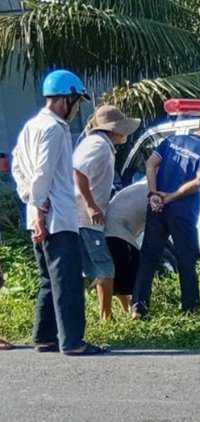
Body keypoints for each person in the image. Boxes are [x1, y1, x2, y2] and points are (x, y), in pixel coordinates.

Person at [11, 69, 108, 355]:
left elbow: (18, 165)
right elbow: (43, 172)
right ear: (66, 99)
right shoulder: (53, 129)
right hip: (55, 217)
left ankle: (45, 336)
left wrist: (29, 198)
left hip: (39, 214)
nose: (77, 108)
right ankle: (73, 342)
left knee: (48, 279)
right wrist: (41, 208)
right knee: (67, 280)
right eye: (77, 102)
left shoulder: (32, 125)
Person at [130, 113, 200, 319]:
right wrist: (172, 197)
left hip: (157, 209)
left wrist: (153, 193)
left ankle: (138, 309)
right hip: (182, 213)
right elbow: (199, 182)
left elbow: (150, 164)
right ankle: (191, 312)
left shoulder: (171, 141)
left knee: (148, 258)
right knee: (186, 261)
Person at [73, 105, 140, 321]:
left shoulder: (98, 144)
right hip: (86, 218)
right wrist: (91, 205)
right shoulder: (99, 146)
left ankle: (104, 314)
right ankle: (106, 318)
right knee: (105, 268)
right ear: (114, 129)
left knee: (97, 268)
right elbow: (78, 171)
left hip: (85, 218)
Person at [104, 180, 148, 314]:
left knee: (120, 268)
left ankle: (127, 307)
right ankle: (130, 309)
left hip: (116, 228)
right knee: (129, 267)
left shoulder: (143, 186)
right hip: (116, 228)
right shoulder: (153, 189)